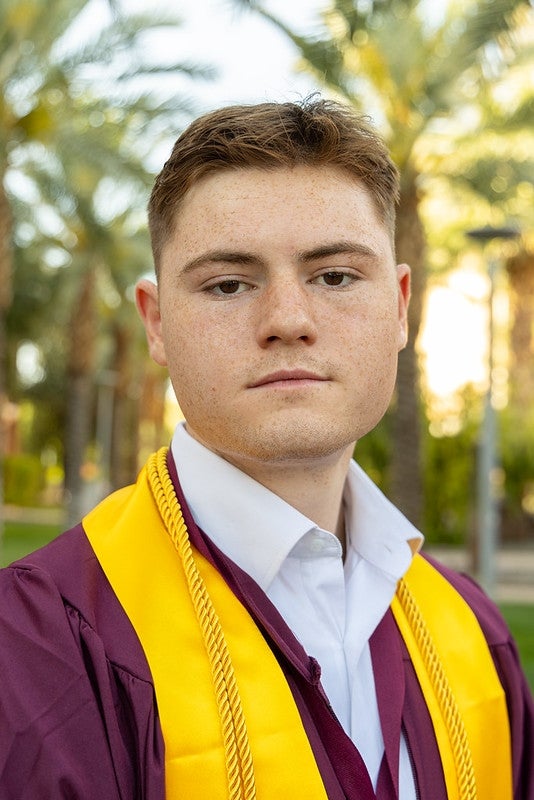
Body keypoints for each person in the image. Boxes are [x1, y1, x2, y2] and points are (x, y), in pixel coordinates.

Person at [0, 98, 532, 800]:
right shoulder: (42, 646)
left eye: (336, 275)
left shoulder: (471, 630)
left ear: (400, 307)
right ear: (156, 324)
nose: (288, 320)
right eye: (228, 284)